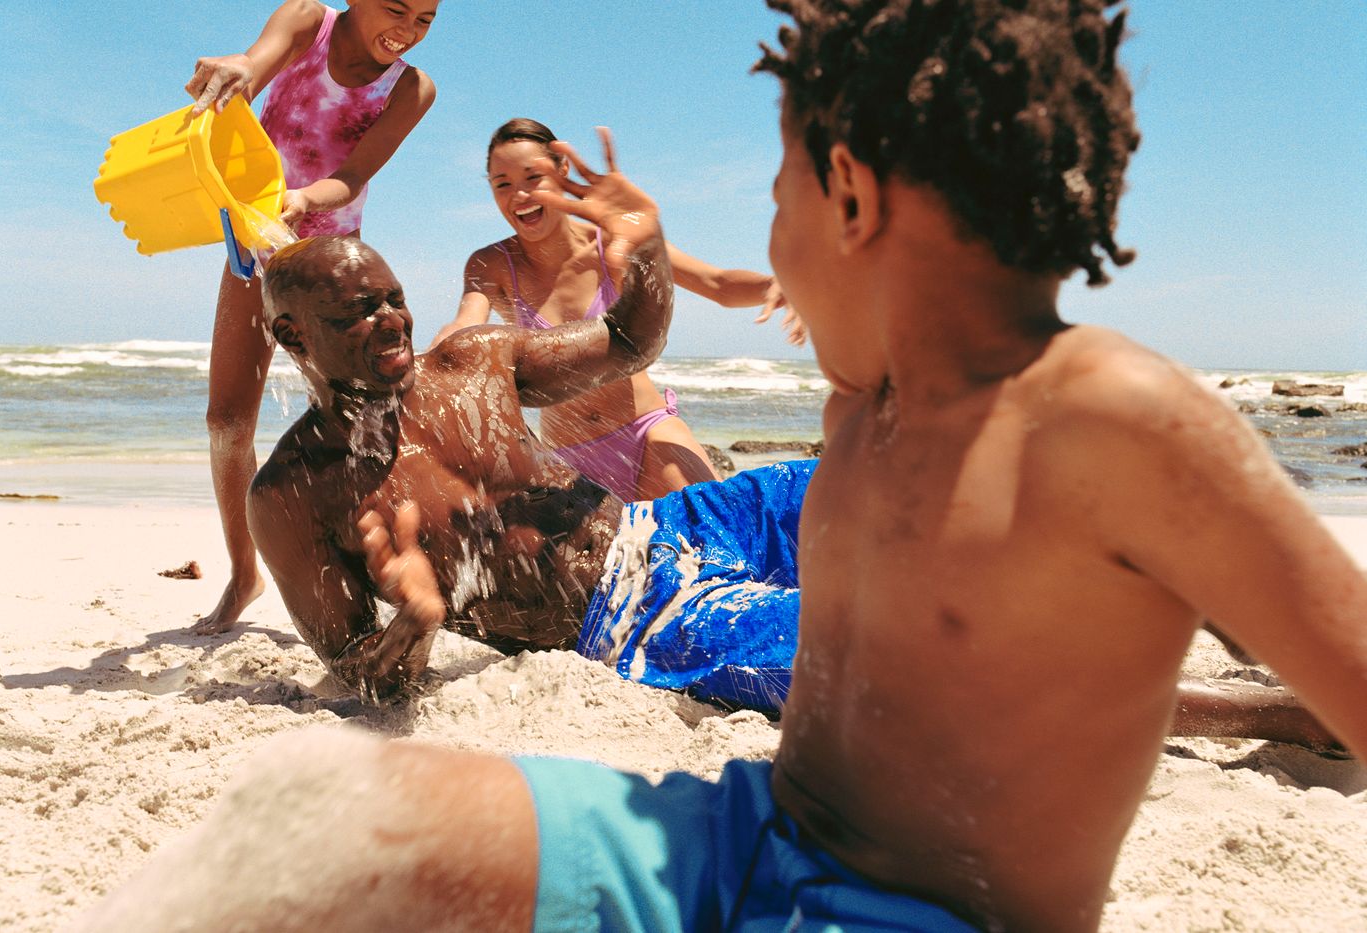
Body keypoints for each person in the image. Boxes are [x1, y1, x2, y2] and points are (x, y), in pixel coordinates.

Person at [76, 4, 1367, 928]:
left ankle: (1264, 699)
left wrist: (643, 256)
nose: (771, 255)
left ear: (850, 205)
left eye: (775, 204)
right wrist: (412, 620)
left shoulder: (1117, 419)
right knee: (303, 828)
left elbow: (643, 329)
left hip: (908, 907)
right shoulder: (870, 409)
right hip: (749, 832)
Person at [243, 132, 807, 714]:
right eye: (360, 311)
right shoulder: (293, 493)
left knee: (852, 482)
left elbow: (627, 340)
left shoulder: (474, 362)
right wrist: (415, 624)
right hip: (634, 615)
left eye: (394, 299)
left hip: (673, 523)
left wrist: (645, 249)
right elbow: (362, 673)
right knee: (846, 640)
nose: (393, 322)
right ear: (292, 334)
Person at [187, 0, 440, 635]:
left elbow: (353, 176)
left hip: (333, 272)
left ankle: (383, 568)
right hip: (252, 245)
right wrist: (236, 72)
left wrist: (302, 198)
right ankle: (244, 574)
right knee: (226, 420)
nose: (406, 32)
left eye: (425, 21)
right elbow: (254, 64)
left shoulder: (411, 87)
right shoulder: (305, 20)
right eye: (397, 10)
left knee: (363, 428)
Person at [431, 118, 806, 503]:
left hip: (648, 434)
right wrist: (427, 363)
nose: (520, 195)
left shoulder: (613, 243)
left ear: (563, 171)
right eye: (503, 184)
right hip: (568, 462)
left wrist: (780, 285)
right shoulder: (492, 264)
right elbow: (464, 326)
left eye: (533, 177)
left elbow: (716, 283)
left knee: (715, 536)